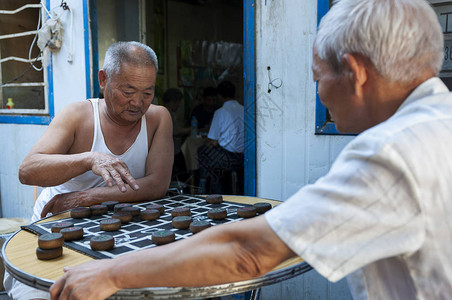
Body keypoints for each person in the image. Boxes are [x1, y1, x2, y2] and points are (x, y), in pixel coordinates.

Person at [50, 0, 452, 299]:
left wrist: (112, 273)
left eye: (317, 78)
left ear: (357, 73)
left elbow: (246, 252)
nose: (320, 93)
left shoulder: (392, 154)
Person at [8, 41, 173, 300]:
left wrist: (87, 199)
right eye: (128, 90)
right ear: (104, 80)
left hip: (120, 231)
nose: (138, 103)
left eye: (147, 93)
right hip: (58, 227)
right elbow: (27, 171)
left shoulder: (158, 118)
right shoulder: (77, 115)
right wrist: (89, 159)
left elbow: (156, 185)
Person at [197, 80, 244, 194]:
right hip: (245, 157)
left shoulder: (220, 112)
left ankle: (204, 189)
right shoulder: (244, 109)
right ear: (235, 94)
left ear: (219, 96)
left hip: (228, 158)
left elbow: (212, 140)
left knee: (203, 152)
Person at [162, 88, 190, 178]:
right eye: (178, 102)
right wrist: (192, 129)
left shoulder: (169, 112)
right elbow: (175, 132)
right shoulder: (167, 113)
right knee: (181, 174)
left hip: (174, 150)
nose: (178, 106)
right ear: (172, 102)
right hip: (171, 151)